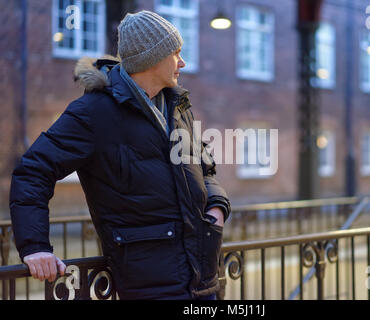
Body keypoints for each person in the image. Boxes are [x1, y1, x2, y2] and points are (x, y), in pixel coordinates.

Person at [9, 10, 231, 300]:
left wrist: (216, 208)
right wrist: (35, 246)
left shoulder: (178, 106)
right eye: (175, 53)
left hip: (204, 279)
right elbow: (33, 172)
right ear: (151, 58)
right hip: (150, 285)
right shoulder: (93, 112)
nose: (182, 62)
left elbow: (205, 168)